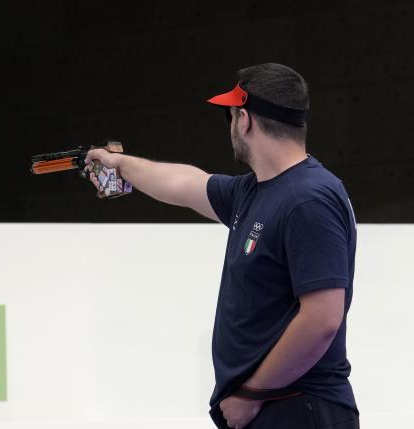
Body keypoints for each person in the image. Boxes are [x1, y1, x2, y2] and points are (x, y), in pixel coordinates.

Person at [83, 63, 359, 429]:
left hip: (295, 407)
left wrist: (251, 394)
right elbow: (184, 182)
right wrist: (119, 164)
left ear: (244, 120)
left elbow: (322, 318)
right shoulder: (255, 191)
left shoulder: (308, 200)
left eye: (230, 116)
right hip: (275, 407)